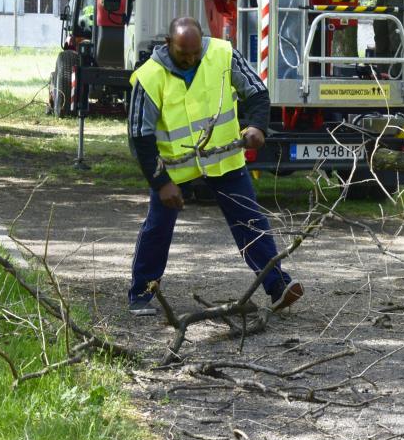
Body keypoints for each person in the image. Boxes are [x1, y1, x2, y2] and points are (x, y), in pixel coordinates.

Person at [126, 17, 302, 316]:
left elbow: (257, 92)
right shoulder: (149, 76)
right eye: (184, 54)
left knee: (251, 222)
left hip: (224, 162)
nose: (191, 59)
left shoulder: (223, 54)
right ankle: (141, 293)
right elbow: (139, 136)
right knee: (158, 227)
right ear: (168, 44)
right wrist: (161, 183)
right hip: (173, 169)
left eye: (196, 52)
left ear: (202, 42)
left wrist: (257, 126)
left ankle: (277, 287)